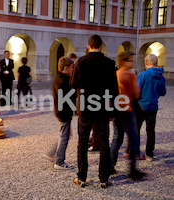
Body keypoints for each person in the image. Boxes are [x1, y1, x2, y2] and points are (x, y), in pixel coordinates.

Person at [71, 35, 118, 188]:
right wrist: (113, 110)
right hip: (102, 108)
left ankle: (82, 176)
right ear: (101, 46)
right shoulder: (109, 63)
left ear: (88, 46)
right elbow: (114, 90)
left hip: (85, 107)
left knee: (82, 141)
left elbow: (73, 84)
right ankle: (103, 178)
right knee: (104, 142)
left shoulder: (81, 62)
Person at [110, 51, 146, 180]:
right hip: (127, 110)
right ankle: (133, 170)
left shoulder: (115, 74)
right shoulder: (129, 75)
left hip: (117, 109)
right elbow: (136, 93)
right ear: (124, 62)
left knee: (116, 138)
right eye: (131, 60)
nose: (133, 62)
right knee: (133, 138)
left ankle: (110, 166)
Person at [135, 54, 166, 162]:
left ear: (146, 62)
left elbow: (137, 91)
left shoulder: (143, 75)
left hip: (141, 106)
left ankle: (136, 153)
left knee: (136, 129)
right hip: (153, 106)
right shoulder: (161, 77)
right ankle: (149, 154)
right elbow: (163, 92)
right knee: (151, 131)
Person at [49, 56, 75, 170]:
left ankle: (53, 154)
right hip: (63, 112)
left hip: (61, 111)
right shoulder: (63, 81)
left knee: (65, 134)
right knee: (64, 136)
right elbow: (66, 98)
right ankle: (59, 161)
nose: (72, 70)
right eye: (71, 68)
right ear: (65, 68)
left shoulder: (59, 78)